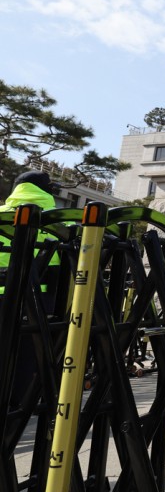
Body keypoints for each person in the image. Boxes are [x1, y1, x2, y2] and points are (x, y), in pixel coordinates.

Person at [0, 171, 60, 408]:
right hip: (39, 300)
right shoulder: (61, 223)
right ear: (48, 190)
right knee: (29, 354)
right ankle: (21, 405)